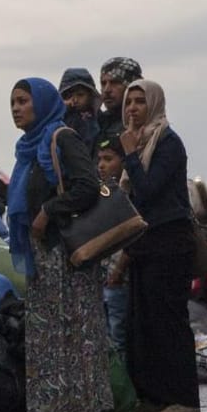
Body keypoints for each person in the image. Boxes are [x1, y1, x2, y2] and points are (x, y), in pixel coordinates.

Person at [7, 78, 112, 412]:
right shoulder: (26, 149)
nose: (17, 108)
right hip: (43, 255)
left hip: (68, 254)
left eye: (23, 101)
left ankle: (82, 408)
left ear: (42, 102)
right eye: (13, 103)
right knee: (49, 334)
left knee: (74, 331)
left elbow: (88, 185)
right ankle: (54, 405)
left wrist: (48, 210)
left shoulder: (61, 137)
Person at [121, 79, 201, 412]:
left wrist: (130, 156)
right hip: (145, 245)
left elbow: (149, 191)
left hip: (169, 244)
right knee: (144, 324)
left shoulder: (167, 141)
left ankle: (182, 400)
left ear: (154, 104)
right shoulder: (138, 141)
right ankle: (154, 398)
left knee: (169, 323)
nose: (133, 108)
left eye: (140, 102)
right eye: (130, 102)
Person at [97, 144, 133, 352]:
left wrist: (118, 270)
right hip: (105, 277)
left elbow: (130, 238)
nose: (101, 165)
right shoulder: (104, 193)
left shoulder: (126, 194)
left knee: (119, 336)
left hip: (119, 279)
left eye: (108, 159)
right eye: (100, 159)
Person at [95, 57, 142, 154]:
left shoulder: (144, 126)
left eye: (115, 83)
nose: (107, 90)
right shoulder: (97, 123)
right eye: (103, 83)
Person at [58, 67, 99, 148]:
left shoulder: (99, 118)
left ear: (90, 96)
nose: (75, 100)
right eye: (69, 96)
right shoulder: (59, 119)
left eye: (80, 95)